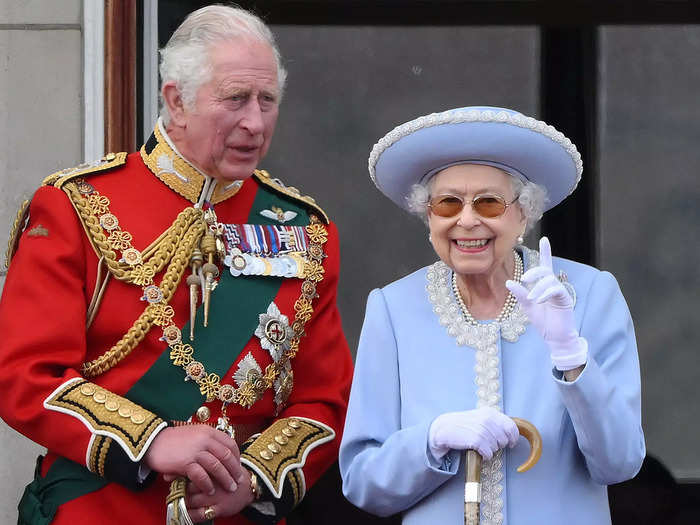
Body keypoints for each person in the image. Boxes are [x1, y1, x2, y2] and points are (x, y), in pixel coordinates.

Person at [0, 5, 352, 524]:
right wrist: (152, 442)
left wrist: (251, 479)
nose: (255, 122)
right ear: (176, 100)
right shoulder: (77, 205)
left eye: (267, 101)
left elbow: (325, 401)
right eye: (235, 99)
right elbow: (26, 375)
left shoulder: (303, 230)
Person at [339, 106, 645, 524]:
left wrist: (572, 358)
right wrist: (430, 440)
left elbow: (621, 462)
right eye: (448, 203)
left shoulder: (590, 294)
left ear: (524, 212)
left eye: (489, 202)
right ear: (428, 217)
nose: (467, 220)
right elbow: (363, 482)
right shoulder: (393, 309)